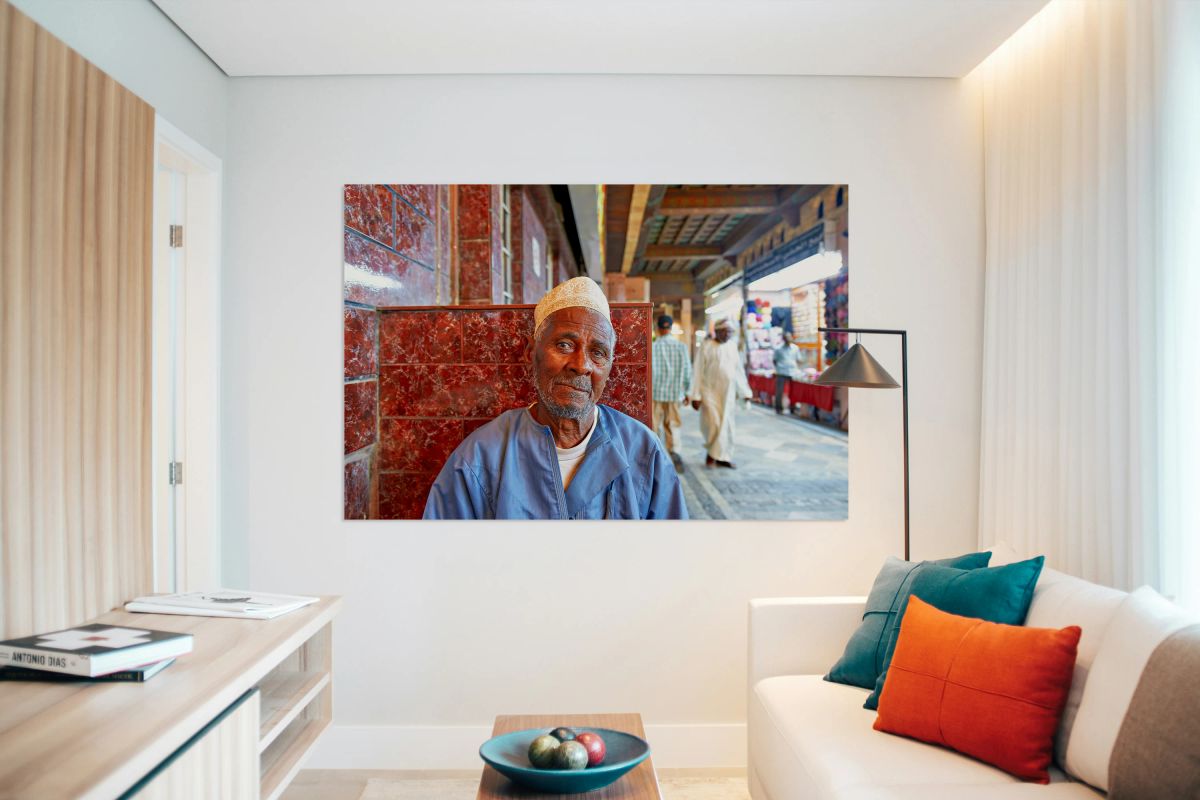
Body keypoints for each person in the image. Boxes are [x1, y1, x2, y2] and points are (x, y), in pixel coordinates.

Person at [423, 276, 687, 520]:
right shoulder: (480, 457)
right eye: (564, 345)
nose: (581, 365)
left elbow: (674, 558)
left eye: (598, 353)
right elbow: (443, 558)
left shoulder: (642, 451)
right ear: (531, 353)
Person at [689, 317, 752, 469]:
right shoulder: (706, 346)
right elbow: (698, 371)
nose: (728, 334)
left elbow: (738, 371)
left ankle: (723, 457)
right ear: (717, 331)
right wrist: (695, 395)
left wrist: (745, 391)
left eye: (730, 331)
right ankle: (712, 454)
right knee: (713, 424)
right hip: (709, 392)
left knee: (727, 425)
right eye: (724, 331)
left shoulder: (732, 347)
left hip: (728, 394)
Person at [650, 314, 692, 465]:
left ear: (658, 329)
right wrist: (687, 391)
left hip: (654, 393)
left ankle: (654, 453)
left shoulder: (653, 347)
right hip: (674, 393)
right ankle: (674, 451)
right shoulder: (681, 347)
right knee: (673, 424)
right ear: (671, 328)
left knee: (654, 424)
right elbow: (687, 369)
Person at [772, 333, 801, 414]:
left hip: (792, 371)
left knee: (794, 391)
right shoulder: (778, 348)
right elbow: (774, 360)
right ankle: (778, 408)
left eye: (789, 338)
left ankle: (793, 407)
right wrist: (778, 367)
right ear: (784, 339)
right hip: (781, 371)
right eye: (786, 338)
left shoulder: (795, 348)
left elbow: (798, 359)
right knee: (779, 391)